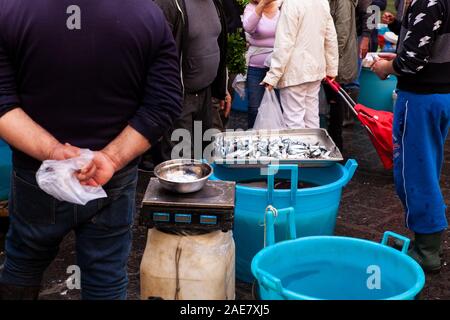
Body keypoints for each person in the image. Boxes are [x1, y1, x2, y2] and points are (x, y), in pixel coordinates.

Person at [0, 0, 182, 299]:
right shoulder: (146, 12)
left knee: (23, 263)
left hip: (41, 174)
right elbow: (164, 103)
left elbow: (2, 101)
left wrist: (54, 151)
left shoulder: (10, 9)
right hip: (108, 176)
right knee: (105, 277)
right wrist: (111, 157)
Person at [372, 0, 449, 273]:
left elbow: (412, 62)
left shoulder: (429, 2)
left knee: (416, 173)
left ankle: (426, 251)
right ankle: (426, 244)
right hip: (438, 96)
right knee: (426, 168)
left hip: (421, 99)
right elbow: (425, 51)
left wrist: (387, 67)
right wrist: (401, 58)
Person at [154, 0, 229, 161]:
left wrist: (222, 89)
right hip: (179, 97)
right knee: (181, 162)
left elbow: (216, 45)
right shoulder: (170, 4)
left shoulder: (214, 2)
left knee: (209, 156)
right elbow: (155, 52)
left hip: (207, 94)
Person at [263, 0, 339, 129]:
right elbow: (330, 37)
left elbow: (284, 43)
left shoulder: (291, 3)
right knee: (312, 119)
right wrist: (331, 69)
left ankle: (301, 149)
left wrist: (273, 75)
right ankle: (313, 148)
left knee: (294, 121)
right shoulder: (322, 2)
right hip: (315, 69)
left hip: (294, 72)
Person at [325, 0, 359, 150]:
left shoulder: (343, 2)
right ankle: (334, 142)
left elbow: (341, 33)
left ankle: (336, 145)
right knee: (333, 102)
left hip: (339, 60)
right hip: (336, 59)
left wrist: (329, 58)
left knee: (335, 101)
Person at [243, 0, 281, 129]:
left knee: (280, 107)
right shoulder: (250, 8)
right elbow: (248, 27)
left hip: (278, 66)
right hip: (255, 68)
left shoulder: (282, 6)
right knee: (255, 108)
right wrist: (261, 5)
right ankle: (254, 140)